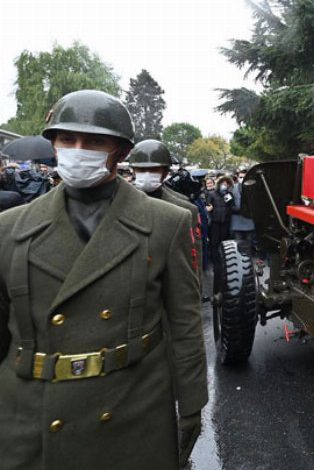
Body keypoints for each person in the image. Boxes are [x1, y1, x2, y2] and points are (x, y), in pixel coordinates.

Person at [0, 90, 207, 469]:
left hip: (130, 412)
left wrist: (192, 404)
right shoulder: (9, 229)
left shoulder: (167, 223)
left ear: (120, 151)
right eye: (67, 139)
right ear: (54, 145)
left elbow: (185, 323)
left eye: (94, 141)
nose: (78, 150)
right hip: (29, 415)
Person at [128, 139, 203, 272]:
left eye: (153, 169)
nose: (147, 174)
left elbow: (193, 263)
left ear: (166, 172)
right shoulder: (115, 200)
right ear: (133, 170)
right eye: (141, 169)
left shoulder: (186, 210)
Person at [206, 175, 234, 266]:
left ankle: (223, 260)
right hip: (215, 223)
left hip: (225, 222)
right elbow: (207, 206)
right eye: (223, 184)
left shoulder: (229, 195)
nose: (224, 185)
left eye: (226, 184)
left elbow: (231, 207)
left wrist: (228, 195)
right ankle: (215, 261)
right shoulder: (212, 194)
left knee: (224, 242)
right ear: (219, 184)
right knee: (214, 243)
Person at [230, 167, 256, 245]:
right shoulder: (232, 188)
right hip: (236, 221)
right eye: (240, 177)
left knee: (249, 244)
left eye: (244, 177)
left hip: (249, 221)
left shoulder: (254, 188)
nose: (242, 179)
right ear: (237, 177)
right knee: (237, 244)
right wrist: (235, 209)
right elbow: (229, 203)